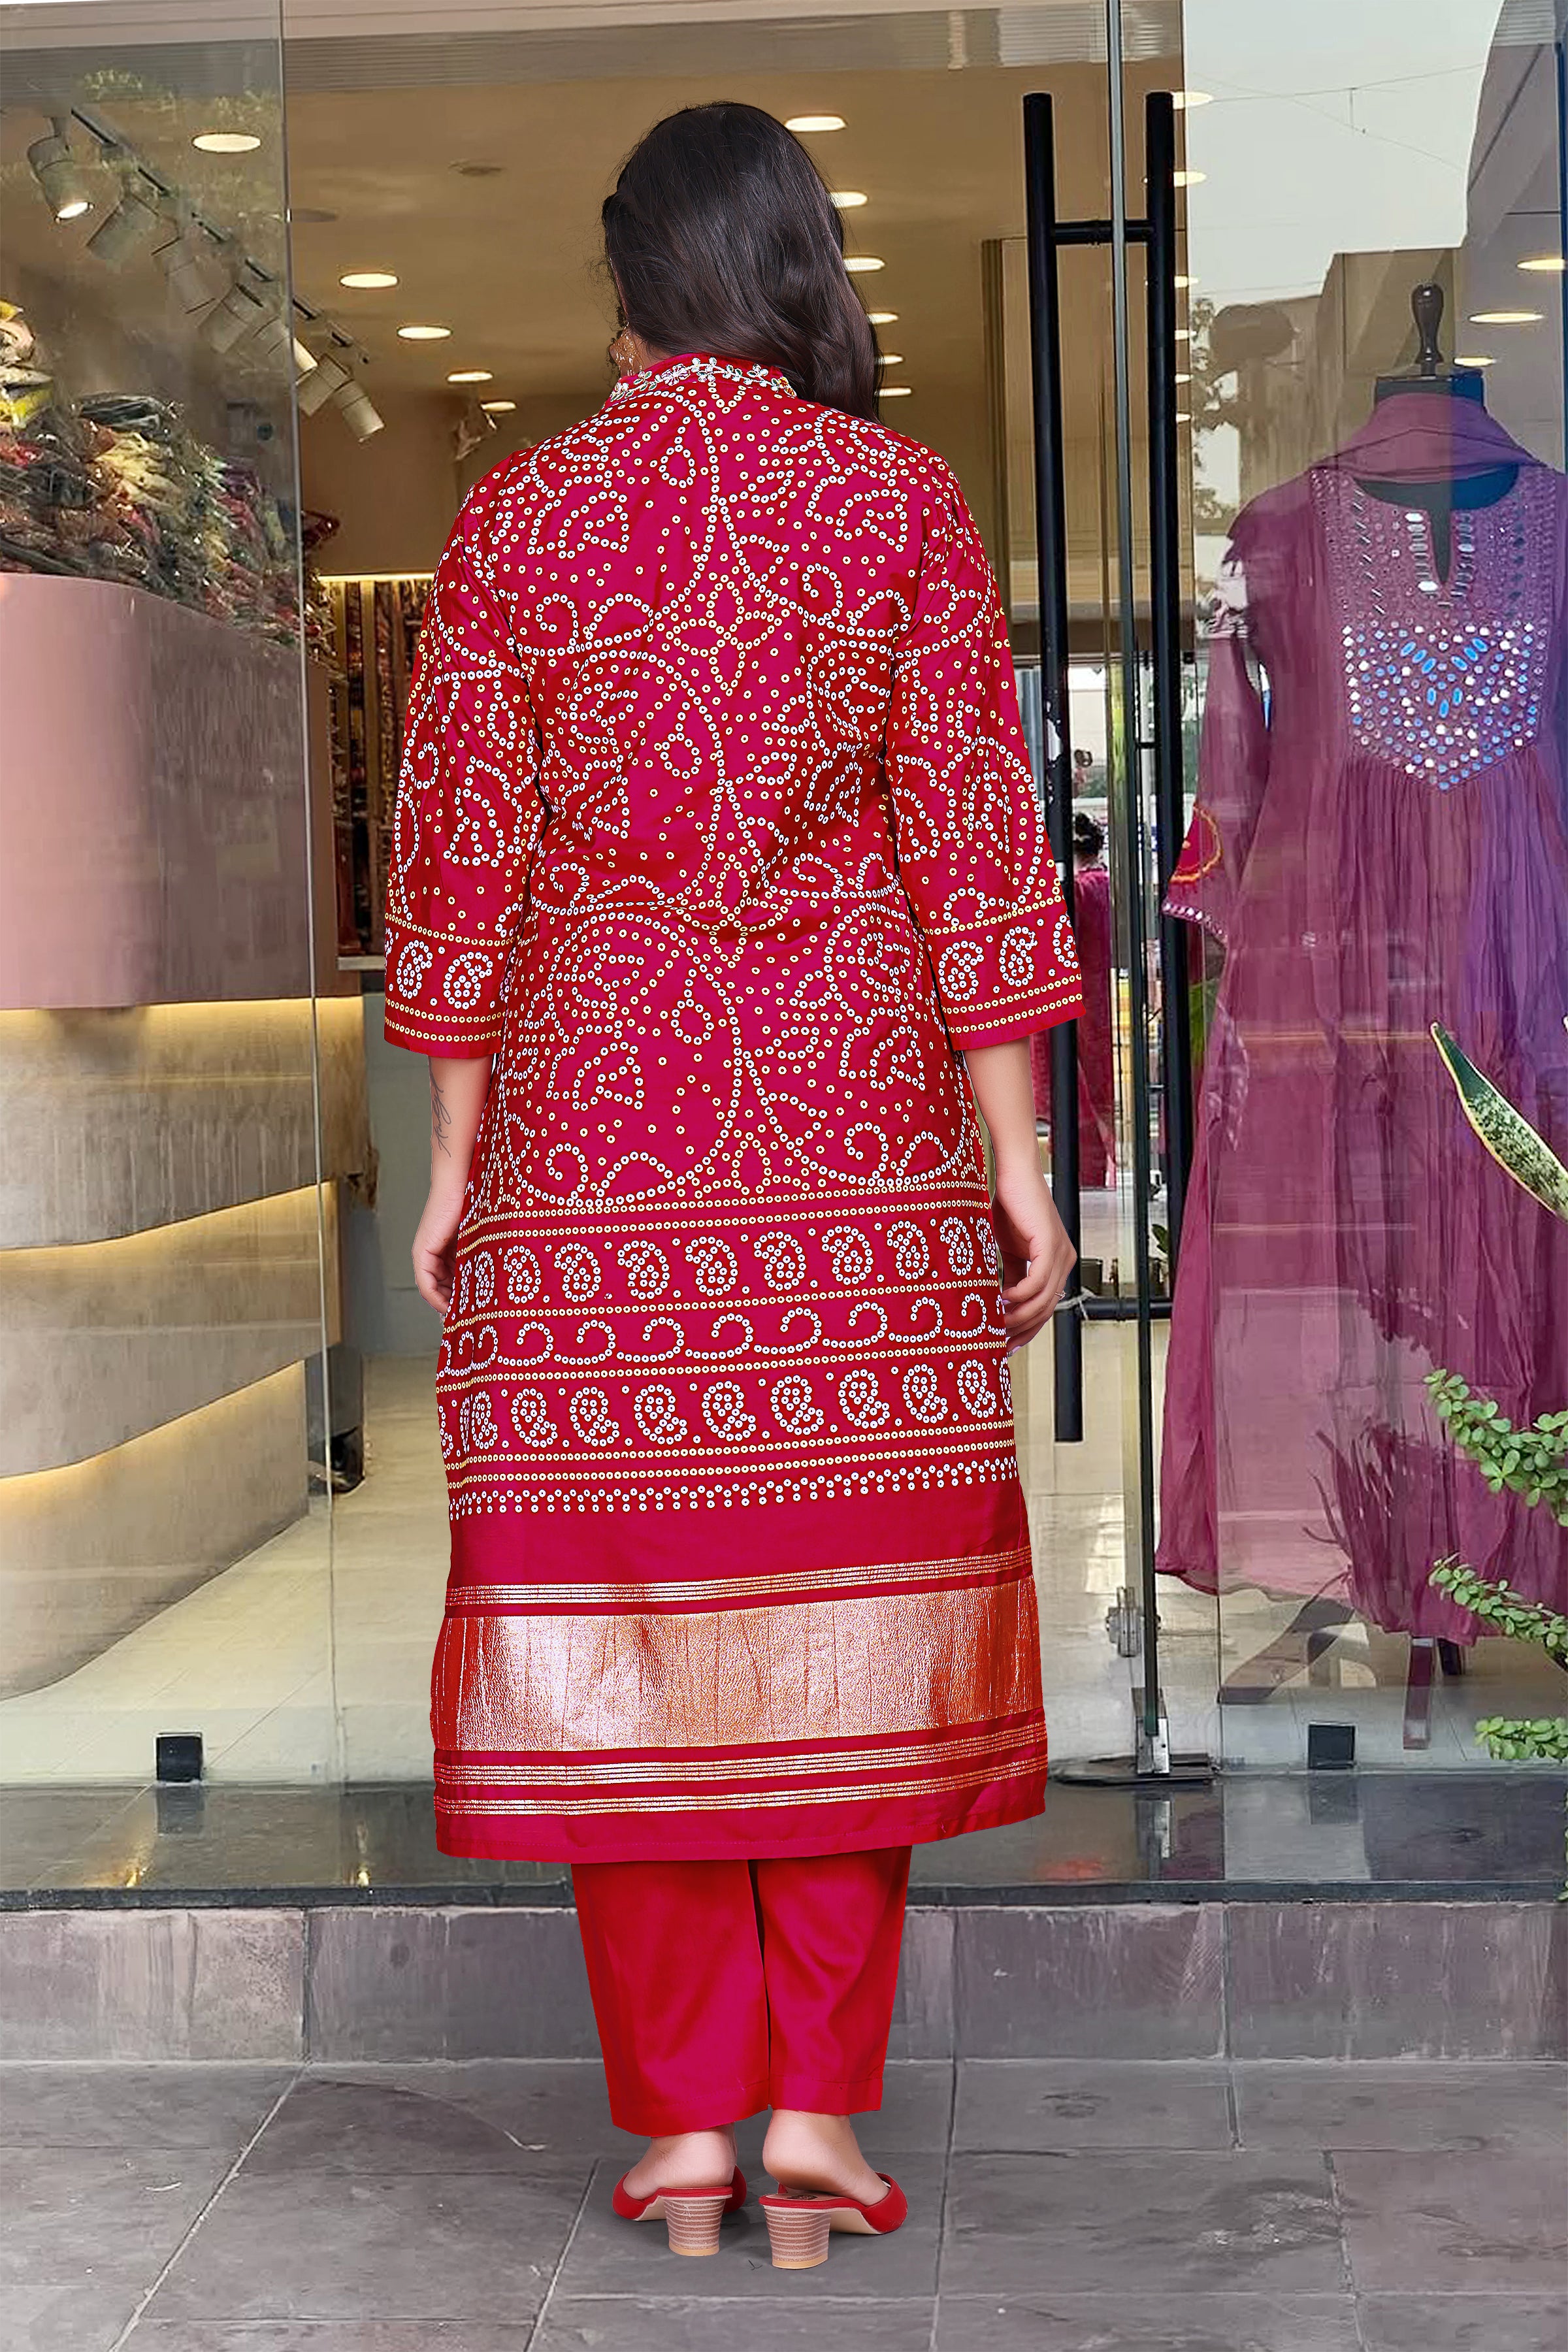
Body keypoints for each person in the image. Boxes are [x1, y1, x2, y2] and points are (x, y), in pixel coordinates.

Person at [382, 101, 1081, 2272]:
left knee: (637, 1627)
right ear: (796, 265)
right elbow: (973, 841)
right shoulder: (897, 500)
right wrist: (1023, 1165)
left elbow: (463, 859)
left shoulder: (519, 517)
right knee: (856, 1625)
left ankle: (686, 2128)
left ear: (632, 278)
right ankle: (818, 2125)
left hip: (595, 1138)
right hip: (856, 1145)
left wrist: (456, 1162)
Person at [1030, 808, 1115, 1184]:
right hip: (1103, 998)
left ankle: (1089, 1169)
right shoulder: (1109, 886)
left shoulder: (1074, 892)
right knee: (1102, 1089)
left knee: (1076, 1092)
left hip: (1074, 1002)